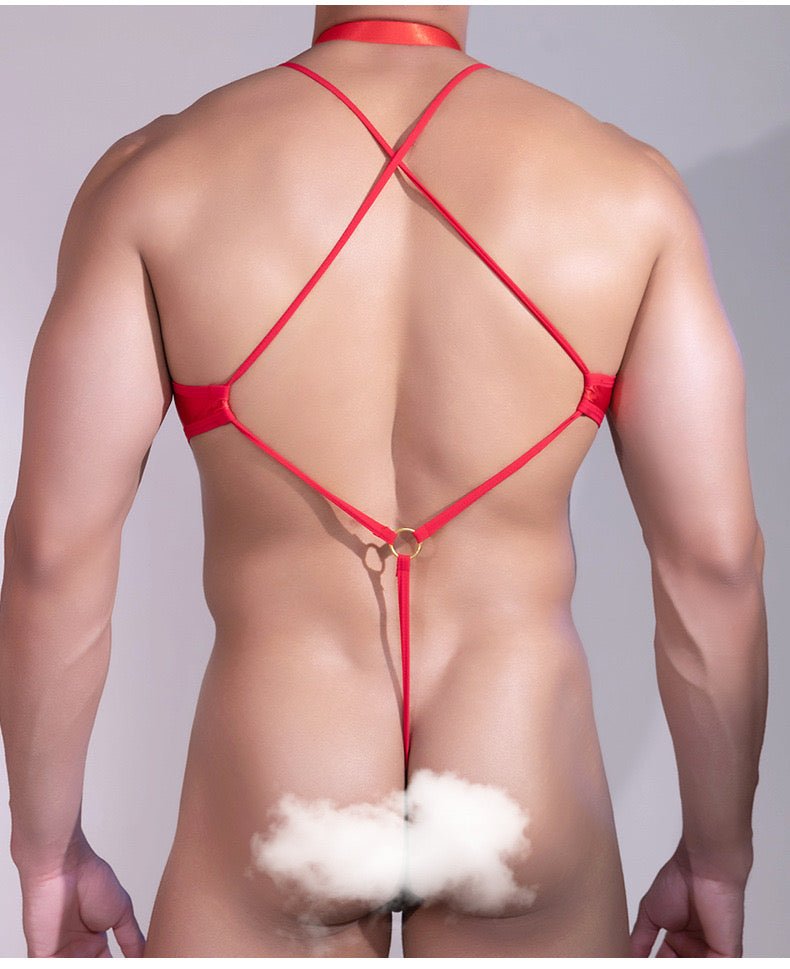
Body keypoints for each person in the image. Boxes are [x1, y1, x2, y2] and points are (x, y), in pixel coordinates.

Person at [0, 3, 767, 958]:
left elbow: (52, 554)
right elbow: (715, 565)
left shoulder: (156, 177)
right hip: (520, 778)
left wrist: (45, 850)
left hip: (283, 785)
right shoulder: (629, 193)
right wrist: (718, 857)